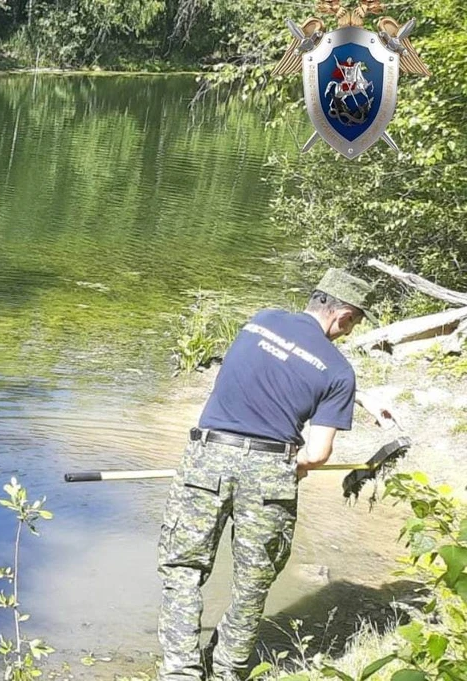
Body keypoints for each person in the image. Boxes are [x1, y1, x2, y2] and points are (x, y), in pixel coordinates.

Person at [156, 268, 396, 681]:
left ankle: (180, 672)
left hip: (209, 453)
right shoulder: (339, 373)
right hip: (271, 468)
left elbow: (270, 371)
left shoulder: (260, 320)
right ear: (342, 315)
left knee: (183, 570)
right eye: (354, 322)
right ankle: (227, 671)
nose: (350, 332)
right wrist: (292, 467)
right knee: (252, 583)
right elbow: (318, 453)